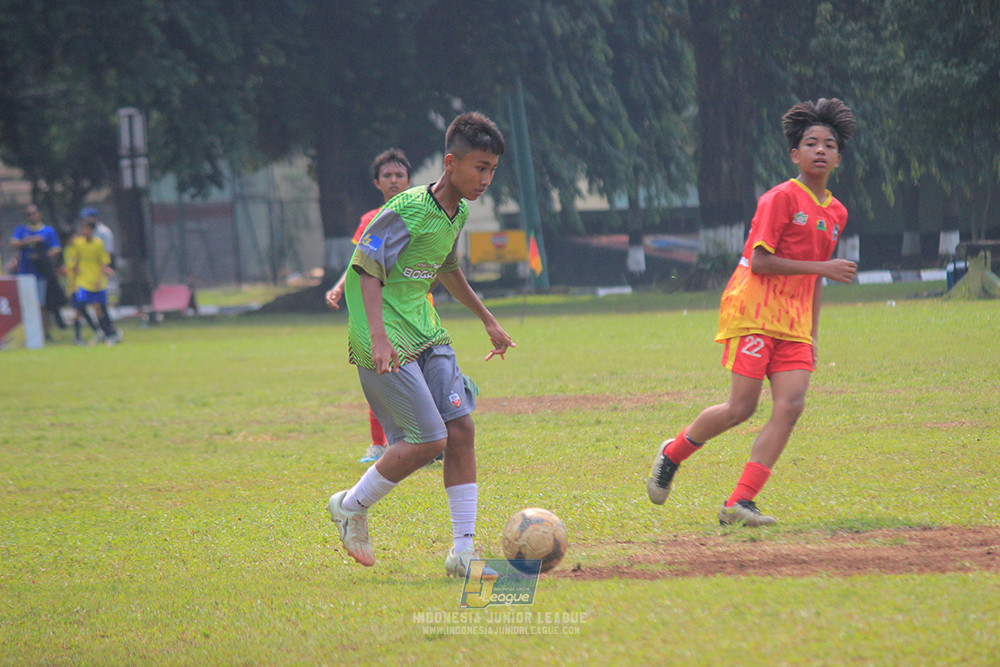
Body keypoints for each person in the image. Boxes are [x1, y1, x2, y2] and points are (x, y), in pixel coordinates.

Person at [647, 98, 859, 527]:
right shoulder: (779, 199)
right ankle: (672, 454)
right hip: (755, 311)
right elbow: (761, 262)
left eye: (829, 144)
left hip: (795, 323)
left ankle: (739, 502)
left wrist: (813, 334)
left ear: (838, 157)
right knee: (739, 409)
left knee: (791, 405)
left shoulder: (836, 212)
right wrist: (823, 267)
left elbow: (816, 280)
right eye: (811, 143)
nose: (820, 150)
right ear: (794, 154)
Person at [327, 112, 515, 577]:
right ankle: (351, 505)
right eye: (479, 168)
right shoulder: (408, 209)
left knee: (462, 431)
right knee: (428, 439)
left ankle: (463, 554)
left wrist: (487, 319)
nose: (486, 179)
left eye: (492, 169)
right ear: (450, 163)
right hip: (383, 332)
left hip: (425, 328)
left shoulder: (460, 211)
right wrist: (378, 338)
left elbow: (447, 268)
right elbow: (365, 270)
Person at [327, 149, 414, 463]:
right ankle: (379, 444)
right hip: (378, 309)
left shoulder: (418, 215)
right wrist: (339, 288)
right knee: (380, 373)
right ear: (377, 183)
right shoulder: (371, 221)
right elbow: (358, 261)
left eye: (399, 176)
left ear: (409, 180)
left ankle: (427, 440)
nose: (393, 181)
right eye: (387, 176)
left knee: (422, 373)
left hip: (415, 308)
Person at [10, 204, 63, 340]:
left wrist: (41, 256)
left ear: (39, 214)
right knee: (26, 303)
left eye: (34, 213)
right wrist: (30, 241)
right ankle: (29, 334)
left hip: (41, 273)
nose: (32, 216)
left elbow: (56, 250)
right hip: (25, 272)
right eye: (29, 214)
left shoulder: (48, 231)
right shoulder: (21, 230)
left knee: (42, 304)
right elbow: (14, 244)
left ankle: (46, 332)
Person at [64, 218, 119, 345]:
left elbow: (103, 263)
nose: (83, 231)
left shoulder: (98, 244)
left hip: (96, 282)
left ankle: (107, 334)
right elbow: (73, 260)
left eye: (86, 228)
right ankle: (85, 335)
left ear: (92, 230)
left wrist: (100, 278)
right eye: (82, 228)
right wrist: (74, 271)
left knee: (98, 309)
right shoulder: (78, 243)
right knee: (80, 305)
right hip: (83, 281)